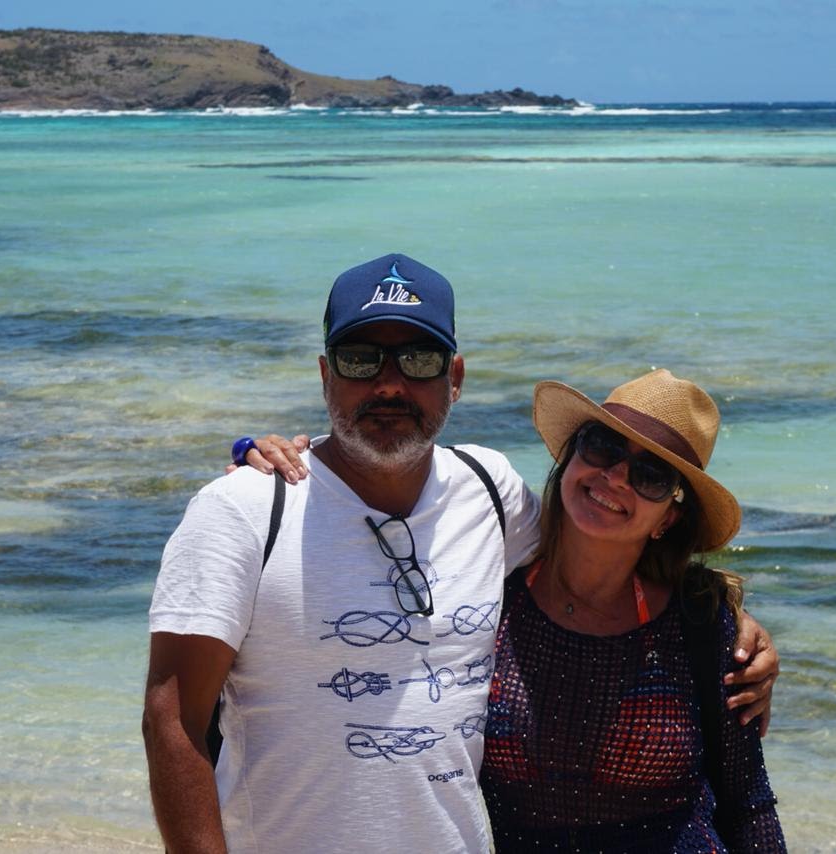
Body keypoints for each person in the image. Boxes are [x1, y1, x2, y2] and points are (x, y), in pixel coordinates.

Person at [145, 253, 777, 853]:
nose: (389, 384)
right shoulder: (244, 511)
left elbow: (599, 555)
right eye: (361, 359)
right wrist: (250, 451)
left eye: (418, 359)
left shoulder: (489, 492)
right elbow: (171, 721)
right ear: (325, 374)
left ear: (455, 379)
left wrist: (726, 616)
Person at [246, 371, 785, 853]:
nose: (617, 477)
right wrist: (273, 466)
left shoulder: (700, 624)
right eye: (601, 446)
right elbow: (364, 543)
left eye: (651, 475)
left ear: (669, 517)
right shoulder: (487, 594)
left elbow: (749, 805)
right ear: (569, 456)